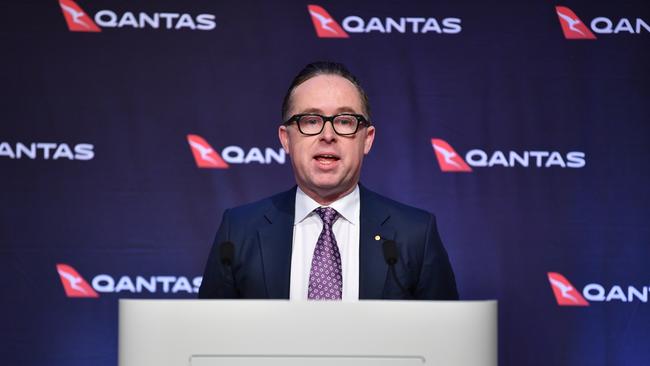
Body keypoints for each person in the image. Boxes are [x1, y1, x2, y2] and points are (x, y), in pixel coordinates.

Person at [198, 61, 458, 300]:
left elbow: (444, 342)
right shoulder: (239, 230)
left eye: (344, 121)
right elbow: (210, 338)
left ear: (367, 139)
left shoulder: (414, 234)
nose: (328, 134)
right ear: (285, 139)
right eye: (311, 121)